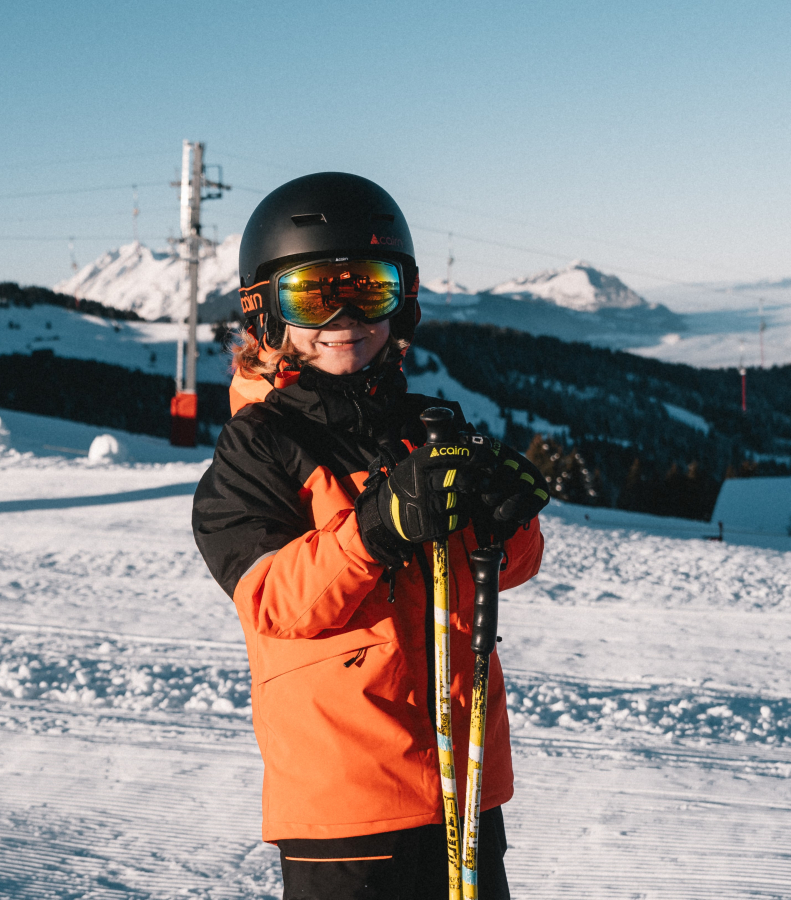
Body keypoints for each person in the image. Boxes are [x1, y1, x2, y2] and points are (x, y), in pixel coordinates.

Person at [192, 173, 550, 900]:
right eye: (315, 295)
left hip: (465, 778)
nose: (345, 316)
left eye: (370, 289)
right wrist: (374, 530)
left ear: (405, 301)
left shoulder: (426, 425)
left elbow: (502, 568)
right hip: (347, 808)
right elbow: (273, 600)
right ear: (265, 312)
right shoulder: (258, 448)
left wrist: (509, 519)